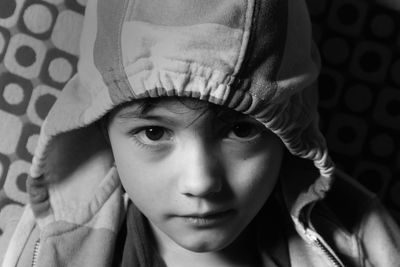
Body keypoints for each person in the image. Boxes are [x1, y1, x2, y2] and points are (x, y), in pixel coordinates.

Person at [3, 0, 400, 266]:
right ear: (101, 128)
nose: (201, 182)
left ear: (291, 134)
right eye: (155, 133)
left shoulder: (362, 240)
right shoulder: (49, 248)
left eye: (242, 129)